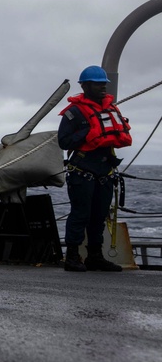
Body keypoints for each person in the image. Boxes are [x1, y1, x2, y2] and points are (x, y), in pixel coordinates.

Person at [58, 65, 131, 272]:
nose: (103, 88)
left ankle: (95, 256)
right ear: (86, 86)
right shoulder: (73, 113)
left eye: (104, 84)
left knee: (99, 216)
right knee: (80, 214)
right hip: (83, 171)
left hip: (105, 172)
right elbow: (63, 141)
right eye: (98, 84)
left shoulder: (111, 110)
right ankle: (72, 257)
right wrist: (87, 133)